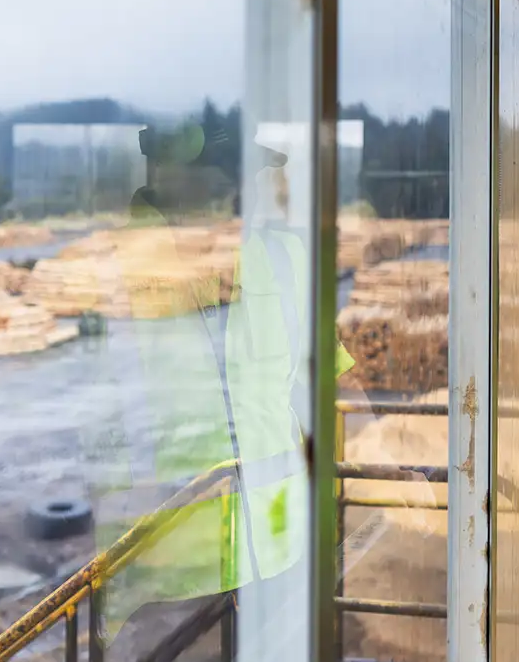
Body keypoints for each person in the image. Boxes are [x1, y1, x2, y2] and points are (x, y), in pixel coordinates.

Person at [91, 123, 353, 658]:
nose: (233, 190)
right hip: (164, 574)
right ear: (163, 171)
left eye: (239, 173)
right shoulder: (114, 266)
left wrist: (365, 501)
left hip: (281, 554)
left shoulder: (285, 258)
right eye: (214, 173)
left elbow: (329, 390)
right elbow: (93, 424)